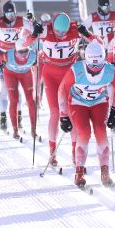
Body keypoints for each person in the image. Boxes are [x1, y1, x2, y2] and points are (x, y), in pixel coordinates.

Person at [57, 41, 115, 188]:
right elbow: (62, 90)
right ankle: (79, 171)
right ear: (86, 60)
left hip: (99, 103)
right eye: (92, 67)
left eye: (98, 66)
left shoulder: (109, 70)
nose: (95, 70)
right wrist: (63, 115)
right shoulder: (76, 70)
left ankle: (105, 171)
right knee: (84, 132)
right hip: (78, 103)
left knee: (100, 130)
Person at [37, 12, 94, 166]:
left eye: (64, 31)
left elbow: (98, 42)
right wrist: (32, 32)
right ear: (53, 26)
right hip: (50, 75)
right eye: (58, 31)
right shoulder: (45, 30)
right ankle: (52, 151)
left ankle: (75, 151)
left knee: (72, 112)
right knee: (55, 112)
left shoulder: (75, 29)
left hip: (69, 74)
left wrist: (87, 34)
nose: (61, 35)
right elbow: (23, 41)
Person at [0, 1, 33, 131]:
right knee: (5, 90)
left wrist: (33, 20)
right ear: (4, 13)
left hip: (17, 56)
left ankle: (18, 118)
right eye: (8, 13)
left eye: (13, 12)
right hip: (3, 57)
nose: (11, 16)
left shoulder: (21, 20)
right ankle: (3, 117)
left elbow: (37, 30)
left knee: (18, 92)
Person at [0, 32, 40, 139]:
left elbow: (38, 60)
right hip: (10, 74)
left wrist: (35, 64)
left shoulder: (33, 55)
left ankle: (33, 129)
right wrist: (0, 66)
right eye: (20, 52)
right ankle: (15, 130)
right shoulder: (8, 55)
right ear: (15, 51)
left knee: (31, 100)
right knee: (14, 100)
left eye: (26, 51)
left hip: (26, 74)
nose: (24, 55)